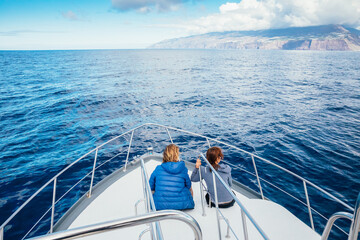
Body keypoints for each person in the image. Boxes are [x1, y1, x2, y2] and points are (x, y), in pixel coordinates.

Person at [149, 144, 195, 210]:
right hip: (181, 205)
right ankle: (189, 202)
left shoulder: (158, 169)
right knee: (189, 187)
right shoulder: (183, 169)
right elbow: (188, 185)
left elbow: (150, 186)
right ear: (176, 155)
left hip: (159, 206)